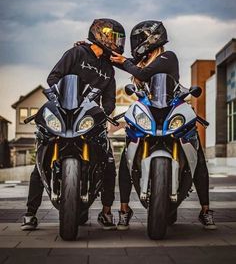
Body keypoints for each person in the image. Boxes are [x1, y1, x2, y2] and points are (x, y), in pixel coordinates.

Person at [110, 20, 217, 231]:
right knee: (126, 157)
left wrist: (124, 62)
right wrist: (92, 49)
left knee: (197, 155)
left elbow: (138, 72)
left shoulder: (168, 57)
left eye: (139, 39)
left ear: (150, 39)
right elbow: (125, 63)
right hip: (149, 115)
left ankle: (205, 210)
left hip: (171, 111)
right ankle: (124, 210)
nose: (136, 44)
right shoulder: (144, 63)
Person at [21, 18, 126, 231]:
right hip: (63, 113)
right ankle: (30, 213)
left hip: (88, 119)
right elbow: (54, 78)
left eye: (118, 39)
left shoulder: (108, 68)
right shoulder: (76, 53)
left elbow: (109, 100)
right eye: (113, 37)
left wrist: (105, 115)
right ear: (99, 35)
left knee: (107, 160)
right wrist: (59, 97)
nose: (116, 42)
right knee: (41, 158)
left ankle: (106, 213)